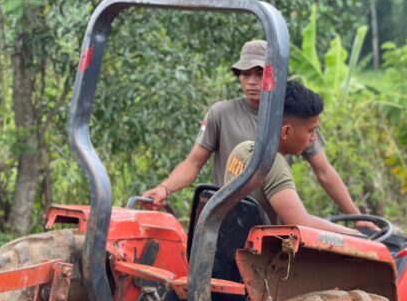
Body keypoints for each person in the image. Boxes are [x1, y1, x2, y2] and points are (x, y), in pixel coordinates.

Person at [142, 39, 371, 227]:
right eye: (245, 74)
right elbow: (193, 163)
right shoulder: (222, 113)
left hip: (270, 227)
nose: (251, 81)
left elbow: (324, 171)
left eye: (259, 73)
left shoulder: (293, 118)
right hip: (231, 223)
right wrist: (165, 188)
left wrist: (358, 219)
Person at [223, 79, 361, 236]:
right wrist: (356, 235)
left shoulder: (242, 149)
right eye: (311, 131)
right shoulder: (273, 164)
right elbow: (300, 224)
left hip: (233, 245)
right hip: (257, 256)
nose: (314, 138)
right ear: (286, 132)